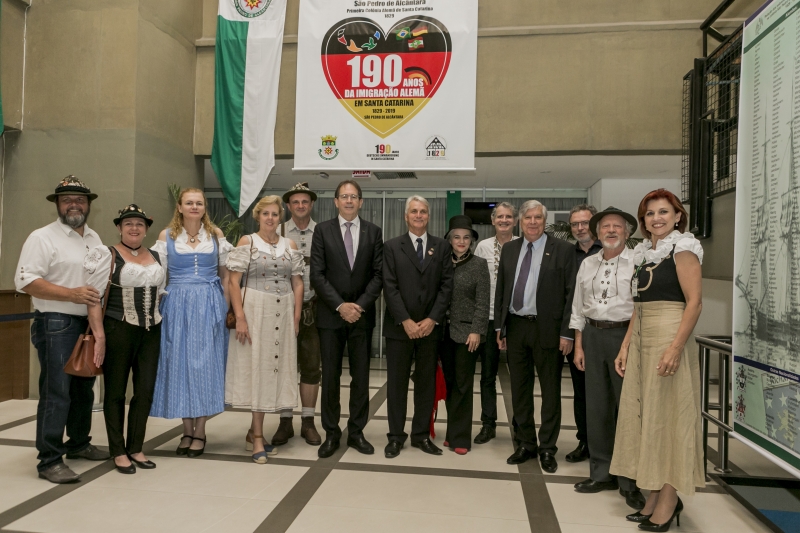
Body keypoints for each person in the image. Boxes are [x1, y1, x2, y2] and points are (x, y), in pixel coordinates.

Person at [610, 189, 704, 531]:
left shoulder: (684, 250)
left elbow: (694, 304)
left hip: (668, 337)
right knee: (646, 415)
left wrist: (675, 347)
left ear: (678, 216)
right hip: (642, 337)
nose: (657, 218)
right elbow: (638, 307)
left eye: (664, 212)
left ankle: (668, 498)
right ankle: (653, 493)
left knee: (668, 418)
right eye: (650, 213)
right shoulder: (643, 254)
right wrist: (625, 346)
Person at [15, 176, 110, 483]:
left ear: (89, 205)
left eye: (80, 200)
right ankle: (49, 460)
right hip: (56, 323)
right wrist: (71, 294)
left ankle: (79, 444)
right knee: (57, 393)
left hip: (87, 324)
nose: (74, 205)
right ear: (57, 204)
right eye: (67, 200)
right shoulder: (42, 238)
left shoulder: (94, 238)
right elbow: (26, 281)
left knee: (83, 390)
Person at [569, 207, 645, 509]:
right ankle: (601, 473)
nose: (611, 231)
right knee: (597, 406)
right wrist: (579, 344)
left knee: (626, 408)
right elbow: (578, 306)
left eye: (617, 227)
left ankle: (629, 479)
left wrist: (627, 344)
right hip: (592, 336)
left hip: (624, 336)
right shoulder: (588, 263)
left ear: (627, 232)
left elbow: (641, 307)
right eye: (605, 227)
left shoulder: (638, 261)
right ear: (597, 233)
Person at [495, 200, 577, 471]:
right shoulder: (509, 249)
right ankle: (525, 443)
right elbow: (502, 291)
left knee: (551, 391)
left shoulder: (563, 250)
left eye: (537, 218)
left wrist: (567, 333)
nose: (532, 222)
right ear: (520, 221)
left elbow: (570, 295)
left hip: (549, 330)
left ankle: (547, 448)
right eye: (528, 217)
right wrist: (500, 327)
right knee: (518, 390)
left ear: (544, 221)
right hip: (516, 327)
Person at [150, 188, 232, 458]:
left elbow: (225, 277)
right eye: (189, 203)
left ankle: (201, 430)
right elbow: (159, 277)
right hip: (177, 305)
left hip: (209, 304)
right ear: (180, 207)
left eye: (199, 203)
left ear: (204, 207)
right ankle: (187, 428)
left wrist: (226, 309)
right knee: (181, 365)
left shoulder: (216, 236)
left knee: (206, 366)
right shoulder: (167, 236)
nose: (194, 207)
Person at [84, 204, 164, 474]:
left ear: (146, 229)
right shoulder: (106, 255)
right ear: (119, 227)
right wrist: (100, 336)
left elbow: (161, 294)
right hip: (118, 329)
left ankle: (136, 447)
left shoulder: (156, 255)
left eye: (139, 224)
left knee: (144, 391)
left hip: (152, 331)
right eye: (128, 223)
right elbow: (94, 299)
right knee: (116, 392)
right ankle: (118, 450)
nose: (134, 228)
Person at [225, 196, 304, 464]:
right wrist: (240, 316)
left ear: (280, 217)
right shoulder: (247, 242)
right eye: (265, 214)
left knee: (274, 369)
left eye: (274, 214)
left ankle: (252, 432)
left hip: (283, 310)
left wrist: (296, 317)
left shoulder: (289, 245)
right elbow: (234, 283)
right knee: (257, 368)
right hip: (256, 309)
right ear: (257, 217)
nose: (270, 218)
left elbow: (298, 283)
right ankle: (258, 437)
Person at [310, 180, 383, 458]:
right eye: (344, 196)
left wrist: (359, 306)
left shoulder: (374, 232)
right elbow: (317, 274)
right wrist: (341, 306)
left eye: (354, 196)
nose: (349, 201)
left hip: (362, 318)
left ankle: (356, 432)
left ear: (361, 202)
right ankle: (331, 432)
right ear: (336, 201)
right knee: (329, 376)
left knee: (361, 377)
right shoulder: (322, 230)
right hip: (331, 316)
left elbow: (379, 275)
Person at [382, 195, 454, 458]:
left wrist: (432, 319)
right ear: (405, 216)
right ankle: (395, 437)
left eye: (423, 211)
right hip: (400, 328)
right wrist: (406, 320)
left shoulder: (442, 247)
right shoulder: (391, 246)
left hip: (430, 329)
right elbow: (389, 286)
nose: (419, 215)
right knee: (397, 385)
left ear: (429, 216)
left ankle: (421, 435)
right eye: (414, 211)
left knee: (426, 384)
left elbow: (447, 286)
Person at [273, 182, 322, 446]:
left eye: (305, 202)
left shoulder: (324, 232)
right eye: (295, 202)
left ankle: (308, 421)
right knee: (283, 367)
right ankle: (285, 422)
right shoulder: (276, 231)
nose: (300, 206)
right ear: (288, 206)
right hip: (281, 309)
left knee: (312, 367)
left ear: (311, 205)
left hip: (313, 310)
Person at [440, 215, 490, 455]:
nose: (461, 241)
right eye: (456, 237)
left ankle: (461, 438)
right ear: (449, 240)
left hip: (466, 334)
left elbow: (483, 302)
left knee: (462, 384)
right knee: (449, 384)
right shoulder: (441, 262)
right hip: (441, 332)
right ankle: (451, 432)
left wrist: (477, 330)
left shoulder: (479, 264)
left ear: (472, 241)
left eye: (466, 237)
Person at [473, 202, 518, 444]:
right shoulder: (483, 247)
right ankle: (488, 424)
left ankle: (521, 426)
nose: (503, 220)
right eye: (499, 216)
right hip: (489, 320)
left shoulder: (523, 245)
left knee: (520, 377)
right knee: (487, 376)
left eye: (508, 217)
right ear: (492, 220)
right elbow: (478, 283)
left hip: (517, 320)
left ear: (515, 220)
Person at [563, 203, 601, 463]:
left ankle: (606, 446)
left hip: (607, 333)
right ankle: (585, 442)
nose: (579, 228)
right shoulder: (566, 254)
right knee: (581, 391)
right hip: (576, 333)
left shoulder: (610, 251)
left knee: (605, 392)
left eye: (584, 223)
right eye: (575, 224)